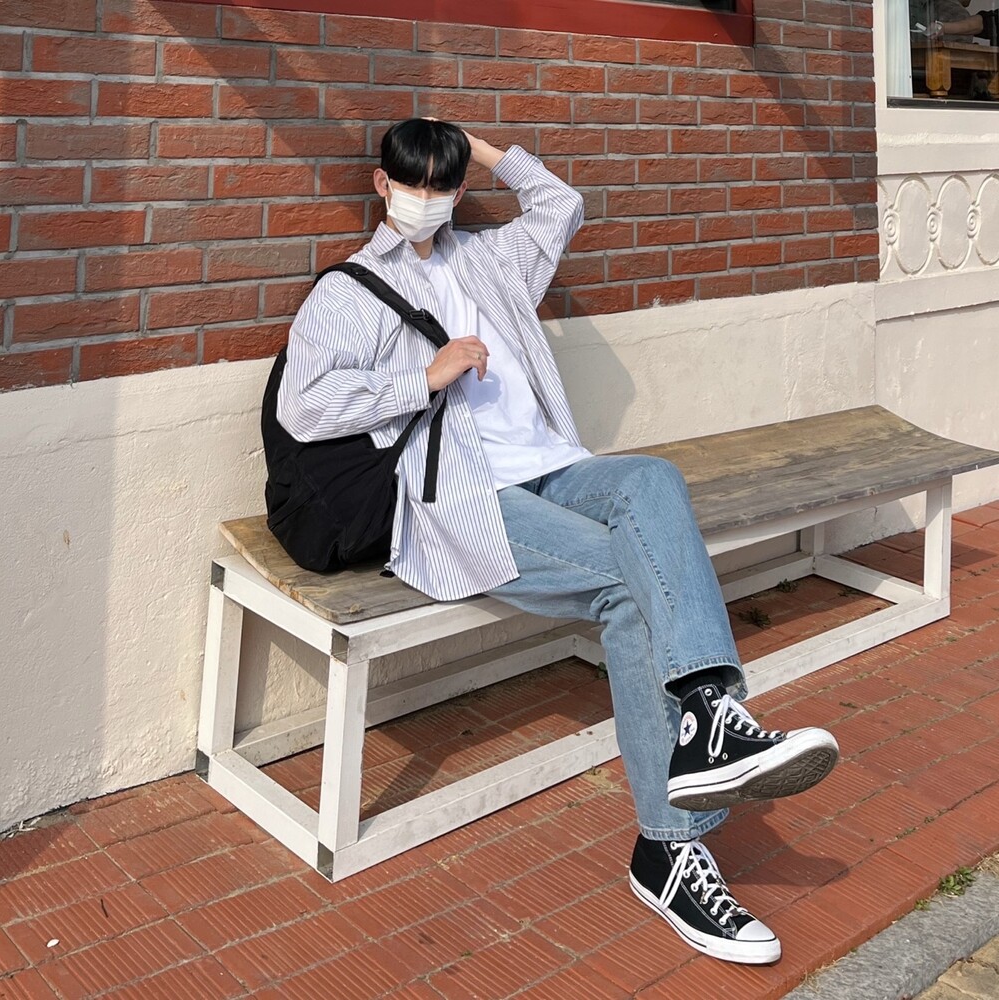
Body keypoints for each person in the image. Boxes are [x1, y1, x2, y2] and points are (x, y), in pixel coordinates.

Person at [277, 118, 840, 965]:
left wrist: (479, 148)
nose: (425, 198)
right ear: (381, 183)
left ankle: (709, 715)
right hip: (462, 497)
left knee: (652, 480)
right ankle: (672, 843)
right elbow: (304, 406)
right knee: (629, 589)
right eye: (411, 182)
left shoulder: (491, 258)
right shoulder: (352, 292)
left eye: (442, 184)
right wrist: (422, 376)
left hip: (552, 466)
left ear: (460, 189)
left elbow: (560, 203)